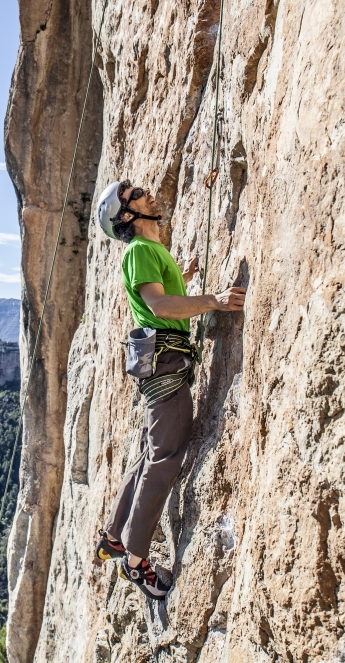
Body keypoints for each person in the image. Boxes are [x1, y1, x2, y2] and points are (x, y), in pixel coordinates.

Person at [92, 179, 246, 600]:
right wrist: (212, 299)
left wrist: (184, 276)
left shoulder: (151, 252)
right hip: (165, 360)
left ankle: (115, 536)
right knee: (165, 457)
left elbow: (157, 298)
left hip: (157, 358)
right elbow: (159, 307)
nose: (146, 192)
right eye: (135, 194)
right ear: (128, 216)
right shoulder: (140, 251)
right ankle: (137, 560)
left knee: (148, 452)